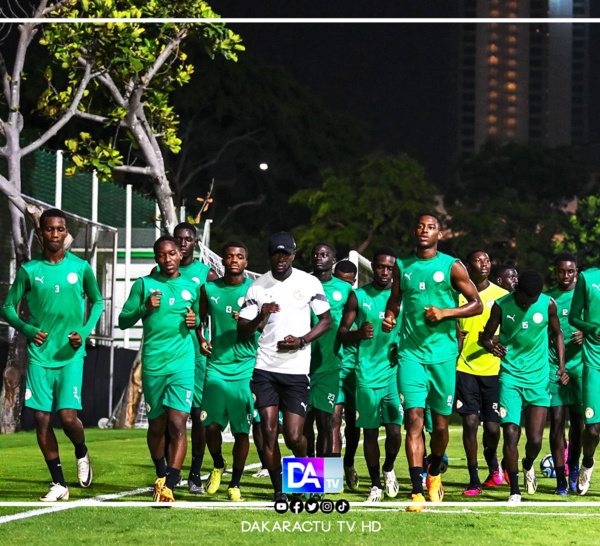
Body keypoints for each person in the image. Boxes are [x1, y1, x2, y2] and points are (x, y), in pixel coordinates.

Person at [2, 208, 104, 502]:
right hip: (39, 357)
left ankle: (81, 450)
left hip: (71, 355)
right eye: (49, 229)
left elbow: (97, 302)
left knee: (68, 417)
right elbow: (8, 307)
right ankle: (58, 482)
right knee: (42, 420)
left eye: (60, 229)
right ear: (41, 234)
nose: (55, 234)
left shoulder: (81, 267)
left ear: (66, 232)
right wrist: (27, 328)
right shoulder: (29, 271)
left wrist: (83, 333)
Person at [383, 212, 483, 511]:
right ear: (413, 231)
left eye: (431, 227)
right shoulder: (402, 266)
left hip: (443, 356)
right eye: (420, 226)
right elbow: (395, 300)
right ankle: (415, 492)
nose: (425, 231)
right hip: (410, 354)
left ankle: (435, 469)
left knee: (439, 428)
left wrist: (445, 312)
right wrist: (390, 316)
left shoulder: (451, 266)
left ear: (439, 234)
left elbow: (476, 304)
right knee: (413, 420)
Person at [238, 232, 332, 503]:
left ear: (293, 254)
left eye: (285, 253)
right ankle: (280, 491)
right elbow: (243, 330)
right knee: (268, 433)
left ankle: (309, 478)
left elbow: (326, 320)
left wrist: (302, 340)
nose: (280, 258)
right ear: (269, 255)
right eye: (275, 253)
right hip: (265, 368)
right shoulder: (257, 286)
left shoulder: (308, 281)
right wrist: (262, 312)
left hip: (296, 370)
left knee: (293, 436)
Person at [119, 236, 199, 503]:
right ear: (156, 258)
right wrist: (144, 307)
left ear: (181, 254)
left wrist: (194, 321)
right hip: (154, 364)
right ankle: (161, 473)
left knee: (179, 423)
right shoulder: (144, 285)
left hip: (183, 364)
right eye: (162, 255)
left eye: (172, 253)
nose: (168, 259)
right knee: (156, 426)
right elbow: (122, 321)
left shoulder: (192, 286)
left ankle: (171, 484)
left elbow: (196, 320)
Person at [481, 270, 566, 503]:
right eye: (526, 299)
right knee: (510, 432)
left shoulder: (547, 304)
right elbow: (485, 337)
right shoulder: (501, 306)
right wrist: (491, 347)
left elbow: (558, 333)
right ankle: (515, 490)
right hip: (509, 376)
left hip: (538, 378)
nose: (529, 303)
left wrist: (561, 365)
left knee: (536, 440)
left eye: (533, 299)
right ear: (518, 292)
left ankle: (528, 464)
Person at [339, 247, 403, 503]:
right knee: (369, 432)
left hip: (393, 375)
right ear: (373, 267)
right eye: (380, 267)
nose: (385, 272)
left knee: (396, 432)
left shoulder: (402, 299)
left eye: (390, 268)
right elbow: (342, 332)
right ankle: (375, 483)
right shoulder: (358, 296)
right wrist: (358, 333)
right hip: (365, 375)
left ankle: (389, 468)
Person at [197, 242, 257, 501]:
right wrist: (201, 338)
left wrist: (250, 323)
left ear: (246, 262)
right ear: (222, 260)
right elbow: (197, 320)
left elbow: (266, 326)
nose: (234, 260)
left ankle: (235, 483)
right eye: (230, 256)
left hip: (245, 368)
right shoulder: (209, 289)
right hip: (216, 367)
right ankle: (219, 464)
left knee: (242, 430)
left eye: (240, 256)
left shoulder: (255, 291)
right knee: (210, 426)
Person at [455, 250, 508, 495]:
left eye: (487, 259)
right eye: (478, 260)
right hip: (464, 366)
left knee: (492, 429)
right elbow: (450, 323)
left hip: (493, 370)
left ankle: (493, 464)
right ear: (468, 265)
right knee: (470, 422)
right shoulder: (457, 294)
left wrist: (492, 339)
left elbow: (511, 333)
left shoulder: (503, 296)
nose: (484, 263)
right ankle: (474, 479)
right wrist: (454, 332)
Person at [172, 222, 218, 494]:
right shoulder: (160, 271)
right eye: (178, 239)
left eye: (187, 239)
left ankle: (195, 474)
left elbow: (221, 308)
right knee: (172, 418)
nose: (182, 243)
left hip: (198, 356)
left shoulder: (206, 274)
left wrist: (202, 331)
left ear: (195, 242)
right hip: (169, 355)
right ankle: (170, 471)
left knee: (199, 417)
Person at [304, 243, 353, 460]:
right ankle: (306, 480)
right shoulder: (300, 285)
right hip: (300, 366)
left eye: (324, 254)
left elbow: (351, 327)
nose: (319, 257)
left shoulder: (345, 290)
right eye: (315, 254)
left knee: (328, 421)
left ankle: (325, 478)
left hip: (331, 365)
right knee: (302, 425)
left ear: (333, 260)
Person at [545, 253, 584, 494]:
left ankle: (574, 471)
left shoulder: (587, 296)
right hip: (553, 366)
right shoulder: (548, 299)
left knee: (579, 424)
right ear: (556, 272)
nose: (566, 276)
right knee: (557, 421)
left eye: (570, 271)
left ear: (577, 272)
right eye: (562, 271)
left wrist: (588, 333)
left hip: (581, 366)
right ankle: (561, 478)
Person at [568, 259, 600, 495]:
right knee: (592, 429)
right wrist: (592, 329)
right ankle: (587, 462)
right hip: (594, 361)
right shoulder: (588, 279)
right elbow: (573, 317)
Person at [330, 260, 362, 491]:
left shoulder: (359, 300)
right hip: (333, 367)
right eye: (340, 280)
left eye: (348, 282)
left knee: (353, 424)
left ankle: (348, 463)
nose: (344, 286)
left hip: (357, 369)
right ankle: (331, 478)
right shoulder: (327, 299)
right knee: (332, 420)